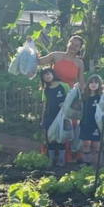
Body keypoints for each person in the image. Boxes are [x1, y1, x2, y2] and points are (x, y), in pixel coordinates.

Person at [36, 35, 86, 163]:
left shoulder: (79, 63)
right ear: (68, 43)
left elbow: (81, 82)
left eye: (76, 45)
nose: (73, 46)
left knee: (67, 125)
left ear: (80, 48)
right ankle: (50, 155)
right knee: (51, 123)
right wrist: (30, 50)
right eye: (72, 43)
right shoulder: (56, 55)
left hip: (68, 97)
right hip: (53, 92)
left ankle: (66, 156)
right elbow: (40, 62)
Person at [39, 68, 70, 167]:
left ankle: (62, 159)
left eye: (47, 74)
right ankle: (51, 159)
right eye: (44, 77)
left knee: (61, 138)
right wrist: (43, 119)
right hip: (49, 116)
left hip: (61, 116)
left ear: (52, 74)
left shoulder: (64, 86)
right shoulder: (46, 89)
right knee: (50, 139)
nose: (46, 77)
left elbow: (71, 99)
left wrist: (65, 104)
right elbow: (45, 104)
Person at [78, 74, 104, 167]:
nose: (93, 84)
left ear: (99, 84)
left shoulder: (101, 97)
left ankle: (98, 163)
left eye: (96, 83)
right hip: (85, 123)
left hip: (96, 124)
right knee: (86, 144)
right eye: (91, 82)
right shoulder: (84, 96)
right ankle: (86, 162)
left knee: (96, 144)